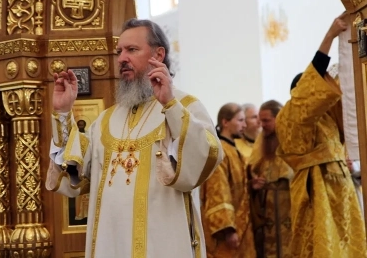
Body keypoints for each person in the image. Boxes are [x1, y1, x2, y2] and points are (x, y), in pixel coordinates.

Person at [46, 18, 223, 258]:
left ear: (158, 55)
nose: (121, 59)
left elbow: (203, 159)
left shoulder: (186, 107)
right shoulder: (106, 120)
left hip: (163, 247)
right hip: (111, 246)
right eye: (120, 52)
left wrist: (170, 105)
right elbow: (73, 175)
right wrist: (64, 113)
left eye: (132, 50)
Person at [275, 13, 367, 257]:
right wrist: (329, 36)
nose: (324, 94)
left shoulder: (327, 118)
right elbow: (310, 92)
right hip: (317, 195)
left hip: (344, 197)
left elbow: (349, 95)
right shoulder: (289, 116)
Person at [201, 103, 256, 258]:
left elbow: (236, 186)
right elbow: (218, 191)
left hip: (242, 226)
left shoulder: (233, 149)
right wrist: (228, 230)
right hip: (227, 232)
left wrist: (252, 184)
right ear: (225, 122)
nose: (244, 125)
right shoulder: (220, 152)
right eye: (240, 120)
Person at [249, 100, 293, 258]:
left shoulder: (293, 143)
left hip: (291, 215)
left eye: (266, 121)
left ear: (279, 118)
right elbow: (252, 171)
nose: (262, 125)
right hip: (267, 221)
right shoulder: (259, 145)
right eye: (260, 121)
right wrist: (253, 186)